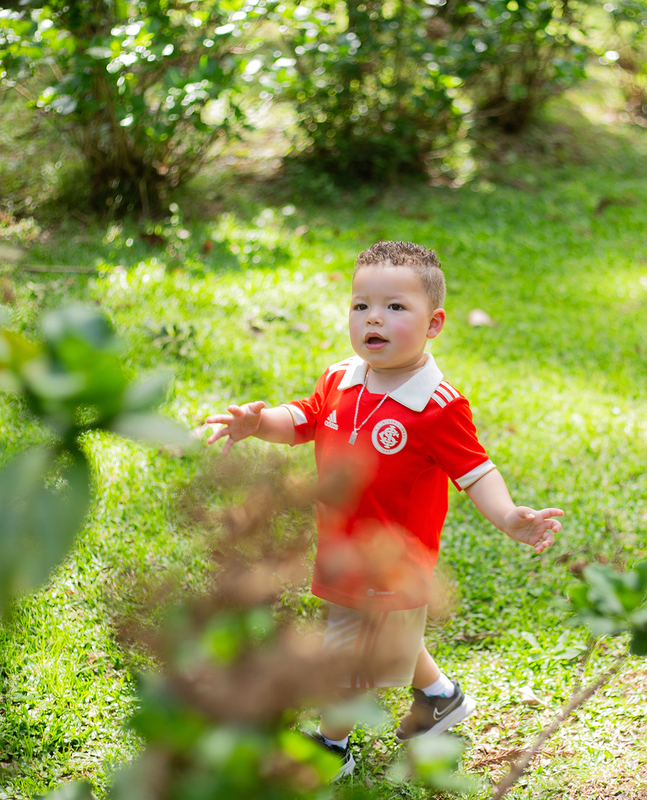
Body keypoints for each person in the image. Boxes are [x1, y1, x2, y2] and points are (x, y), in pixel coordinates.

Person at [204, 241, 564, 778]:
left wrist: (510, 516)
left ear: (433, 323)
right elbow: (305, 418)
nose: (374, 317)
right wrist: (259, 422)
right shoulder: (340, 377)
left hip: (393, 557)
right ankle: (441, 697)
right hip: (342, 546)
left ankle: (330, 749)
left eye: (396, 307)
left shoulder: (438, 406)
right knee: (391, 634)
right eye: (361, 305)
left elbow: (476, 471)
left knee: (349, 652)